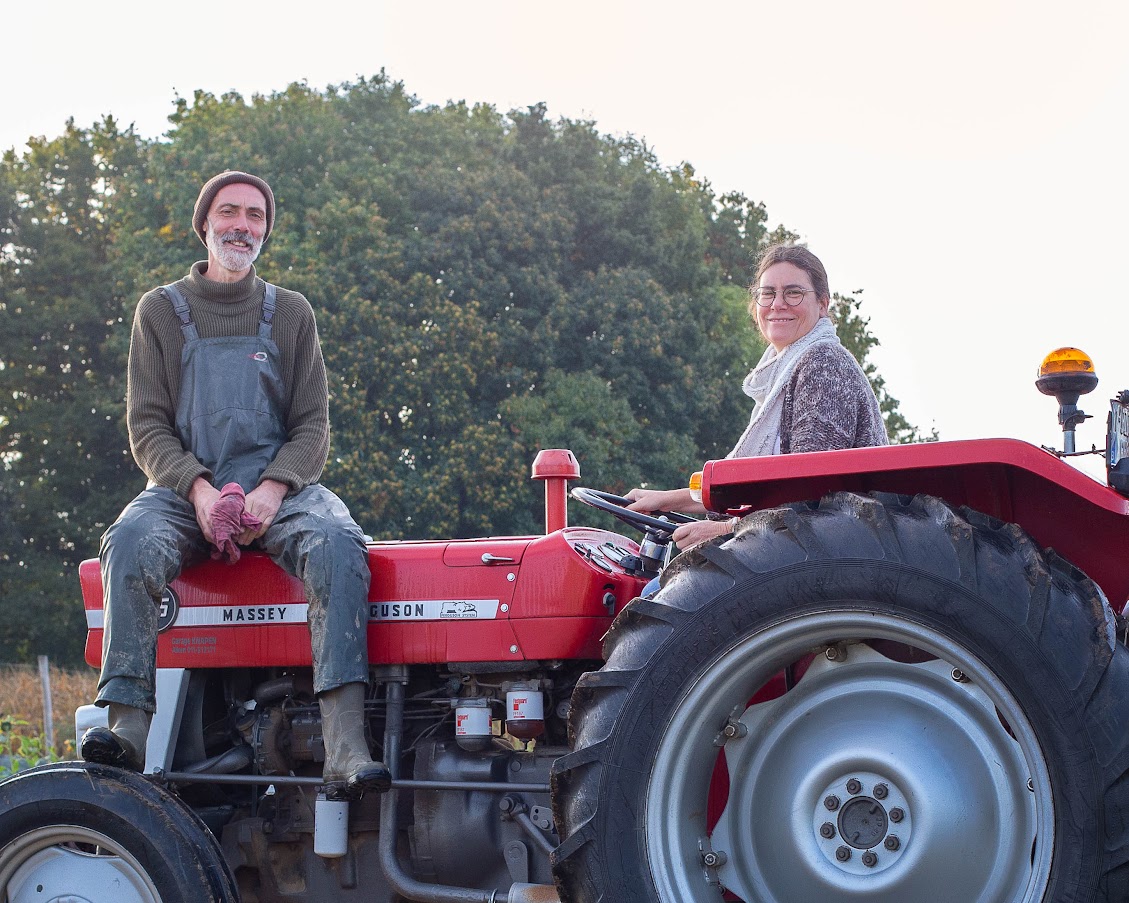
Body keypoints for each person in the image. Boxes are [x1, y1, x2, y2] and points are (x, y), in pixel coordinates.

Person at [81, 171, 390, 798]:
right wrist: (197, 491)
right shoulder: (161, 312)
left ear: (266, 231)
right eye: (229, 212)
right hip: (182, 492)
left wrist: (271, 492)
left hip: (280, 492)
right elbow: (147, 427)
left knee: (336, 541)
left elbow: (312, 429)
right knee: (130, 541)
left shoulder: (291, 313)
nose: (241, 225)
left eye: (255, 216)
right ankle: (130, 728)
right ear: (205, 224)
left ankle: (345, 745)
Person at [627, 243, 888, 548]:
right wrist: (666, 499)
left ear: (823, 304)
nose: (778, 304)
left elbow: (808, 491)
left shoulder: (823, 363)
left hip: (834, 546)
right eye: (768, 293)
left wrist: (724, 531)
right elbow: (758, 485)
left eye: (793, 293)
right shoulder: (788, 370)